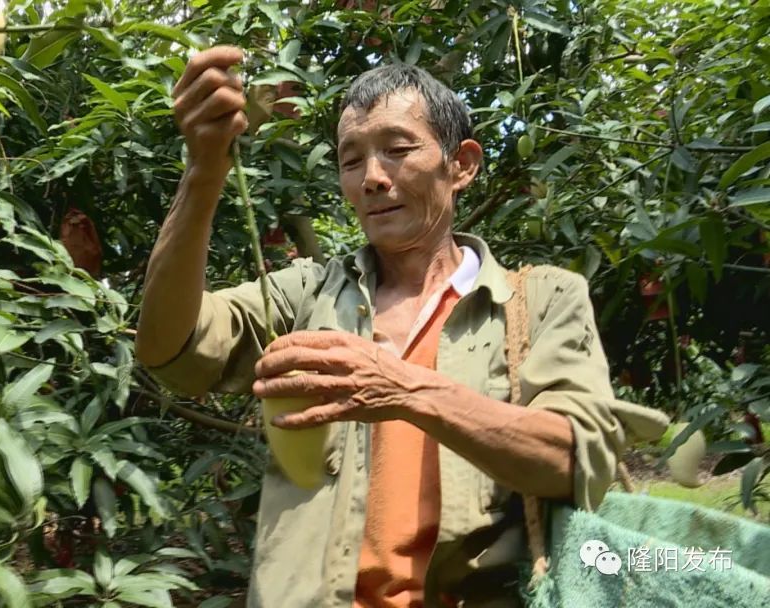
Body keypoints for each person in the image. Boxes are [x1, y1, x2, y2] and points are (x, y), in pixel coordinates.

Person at [135, 46, 665, 608]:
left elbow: (574, 461)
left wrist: (405, 388)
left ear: (461, 164)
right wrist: (204, 169)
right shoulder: (306, 294)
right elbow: (170, 350)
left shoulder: (540, 299)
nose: (373, 178)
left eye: (397, 149)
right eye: (351, 159)